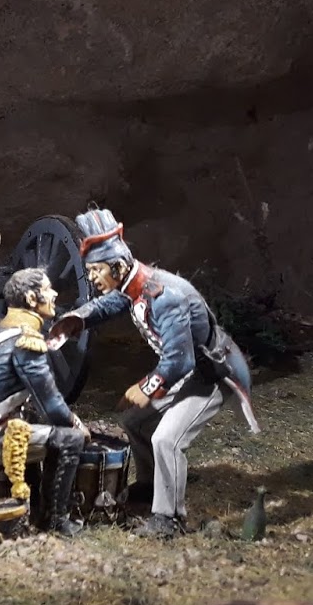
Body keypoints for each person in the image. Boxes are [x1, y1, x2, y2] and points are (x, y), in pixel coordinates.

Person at [49, 208, 260, 539]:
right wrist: (80, 318)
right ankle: (150, 487)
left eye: (96, 270)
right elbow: (114, 303)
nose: (92, 278)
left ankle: (169, 518)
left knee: (167, 439)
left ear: (118, 267)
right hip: (187, 371)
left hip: (211, 373)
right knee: (135, 421)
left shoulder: (164, 297)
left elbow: (180, 360)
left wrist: (146, 388)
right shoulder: (135, 284)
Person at [0, 267, 90, 537]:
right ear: (32, 299)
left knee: (31, 423)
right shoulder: (27, 342)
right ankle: (55, 521)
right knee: (71, 440)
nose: (54, 294)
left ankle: (34, 502)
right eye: (47, 289)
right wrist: (75, 423)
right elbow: (51, 405)